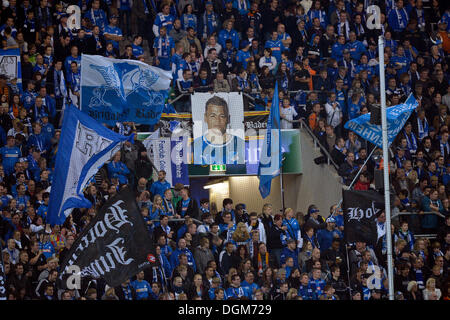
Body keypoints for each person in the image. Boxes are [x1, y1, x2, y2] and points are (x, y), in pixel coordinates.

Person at [193, 95, 245, 165]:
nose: (217, 121)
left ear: (228, 119)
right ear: (205, 118)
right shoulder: (195, 145)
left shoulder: (241, 145)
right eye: (213, 116)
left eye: (222, 116)